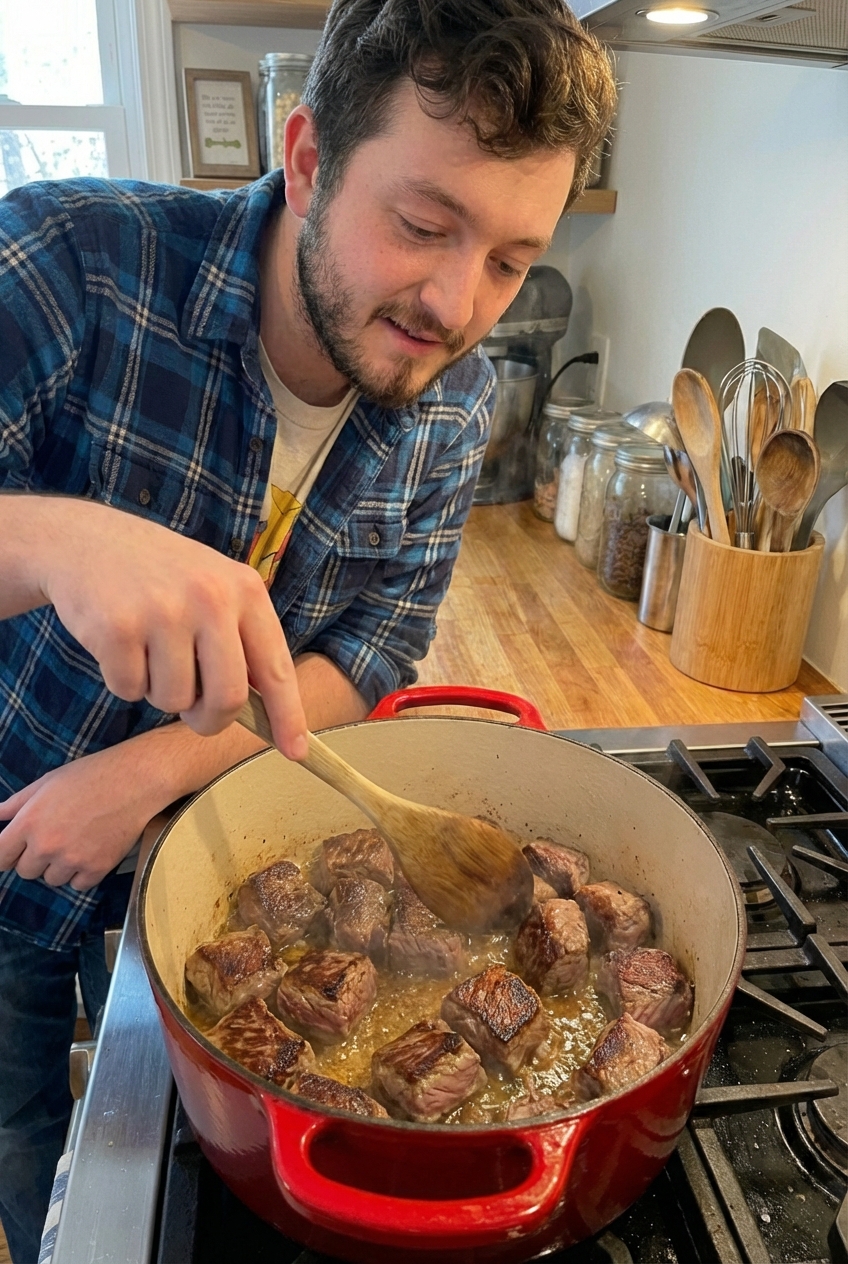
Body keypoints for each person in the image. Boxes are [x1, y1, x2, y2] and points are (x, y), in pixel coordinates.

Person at [0, 0, 616, 1257]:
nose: (456, 303)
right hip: (7, 838)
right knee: (25, 1150)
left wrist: (154, 767)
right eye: (422, 225)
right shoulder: (70, 261)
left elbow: (378, 647)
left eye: (507, 258)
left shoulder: (451, 411)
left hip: (208, 868)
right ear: (306, 159)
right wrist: (52, 540)